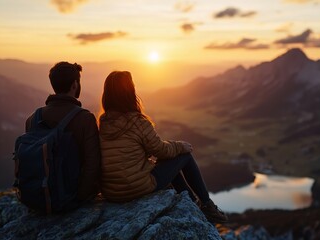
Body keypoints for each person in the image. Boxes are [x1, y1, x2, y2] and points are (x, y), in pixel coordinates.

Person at [98, 71, 228, 223]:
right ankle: (207, 205)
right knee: (183, 156)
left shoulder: (103, 123)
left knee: (169, 165)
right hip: (136, 187)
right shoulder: (137, 122)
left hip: (112, 192)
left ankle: (193, 204)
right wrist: (181, 146)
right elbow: (160, 150)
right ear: (129, 92)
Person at [25, 62, 101, 204]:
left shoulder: (33, 119)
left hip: (38, 197)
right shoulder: (85, 119)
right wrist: (80, 198)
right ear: (74, 85)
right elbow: (93, 164)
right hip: (72, 197)